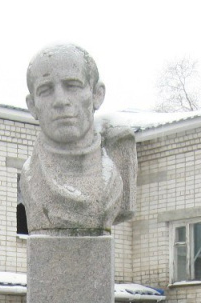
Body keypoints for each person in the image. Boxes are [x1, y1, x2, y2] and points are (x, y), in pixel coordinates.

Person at [21, 44, 132, 233]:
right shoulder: (31, 177)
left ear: (97, 95)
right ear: (32, 105)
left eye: (72, 86)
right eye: (46, 90)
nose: (60, 101)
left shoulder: (114, 176)